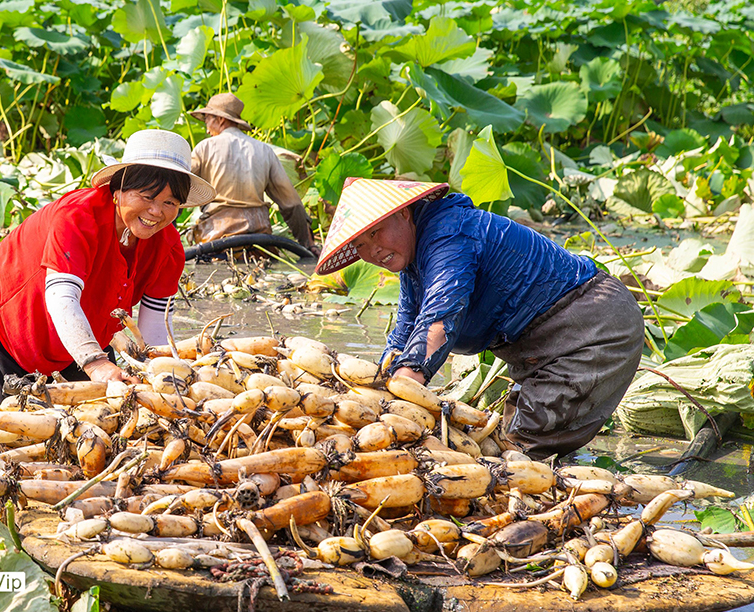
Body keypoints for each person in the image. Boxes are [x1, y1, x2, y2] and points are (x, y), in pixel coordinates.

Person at [315, 178, 645, 459]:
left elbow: (439, 322)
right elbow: (404, 334)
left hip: (592, 326)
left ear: (402, 213)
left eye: (376, 233)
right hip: (538, 343)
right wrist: (367, 392)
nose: (372, 250)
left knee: (519, 448)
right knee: (510, 442)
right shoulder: (415, 261)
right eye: (360, 244)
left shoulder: (449, 234)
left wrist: (395, 404)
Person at [0, 129, 215, 406]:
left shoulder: (168, 248)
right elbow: (62, 298)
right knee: (8, 414)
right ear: (119, 190)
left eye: (169, 203)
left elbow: (155, 326)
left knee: (103, 403)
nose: (157, 212)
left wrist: (156, 376)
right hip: (12, 301)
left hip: (89, 315)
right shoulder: (77, 217)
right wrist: (95, 362)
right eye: (147, 197)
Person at [188, 93, 319, 253]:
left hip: (216, 241)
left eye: (207, 119)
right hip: (260, 241)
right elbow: (292, 203)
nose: (207, 129)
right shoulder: (265, 150)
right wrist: (308, 245)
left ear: (220, 119)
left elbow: (178, 185)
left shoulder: (204, 147)